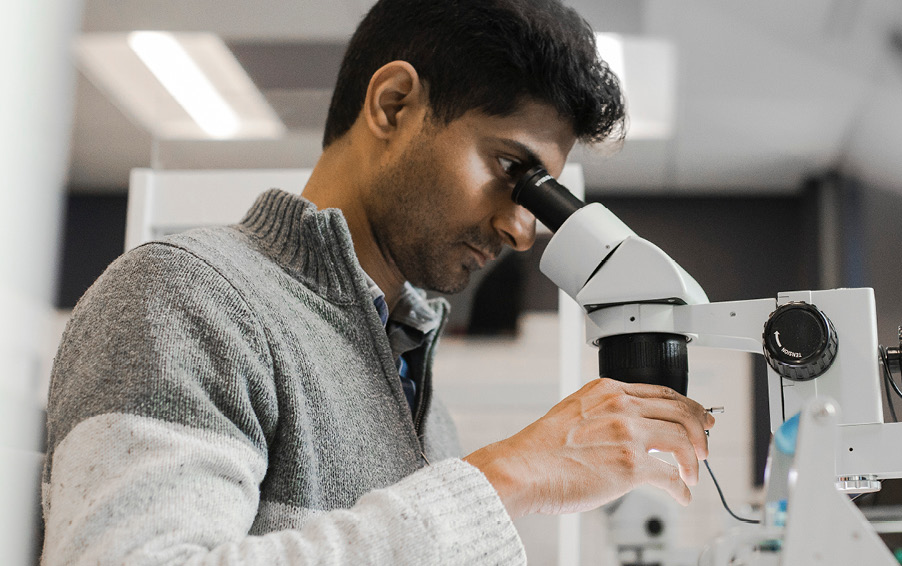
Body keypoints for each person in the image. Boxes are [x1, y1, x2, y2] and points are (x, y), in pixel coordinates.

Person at [40, 0, 714, 563]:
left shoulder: (415, 391)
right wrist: (510, 475)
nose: (520, 230)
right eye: (511, 168)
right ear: (394, 105)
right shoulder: (182, 297)